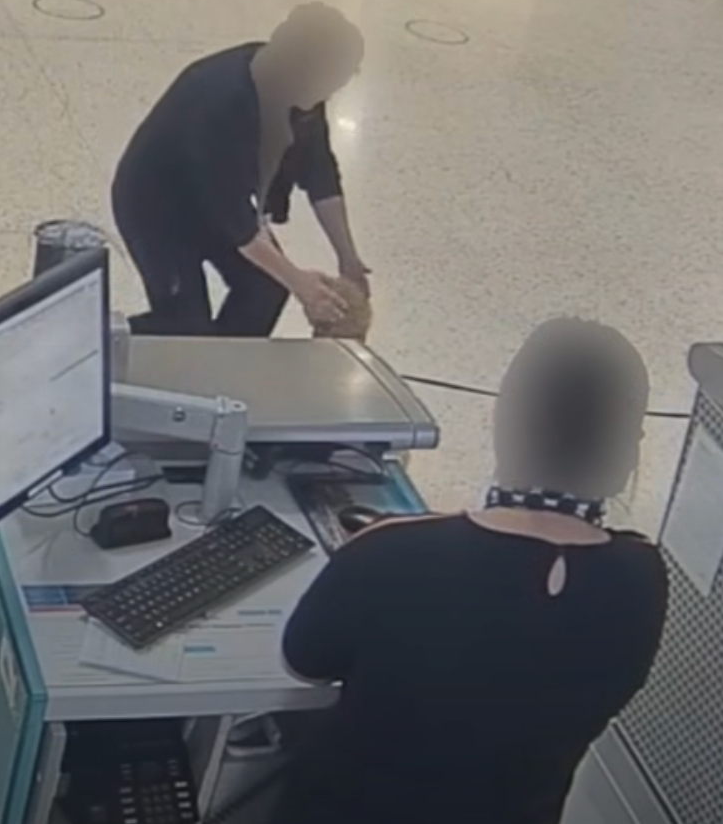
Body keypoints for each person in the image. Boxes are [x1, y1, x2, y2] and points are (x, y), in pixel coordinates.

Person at [274, 317, 670, 824]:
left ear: (505, 422)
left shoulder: (390, 553)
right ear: (626, 447)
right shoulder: (643, 580)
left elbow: (303, 661)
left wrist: (396, 538)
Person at [110, 4, 369, 337]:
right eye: (333, 82)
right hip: (157, 207)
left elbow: (320, 171)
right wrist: (302, 285)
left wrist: (348, 257)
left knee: (267, 288)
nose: (331, 93)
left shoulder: (303, 89)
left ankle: (218, 369)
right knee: (184, 325)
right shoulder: (220, 103)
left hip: (218, 199)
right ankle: (89, 339)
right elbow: (236, 221)